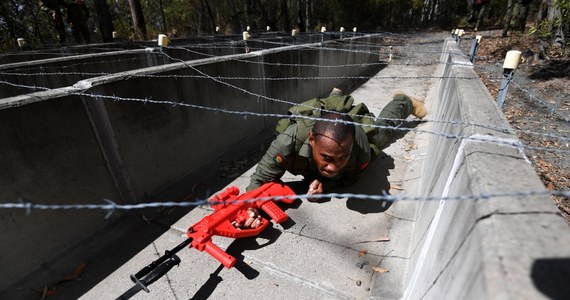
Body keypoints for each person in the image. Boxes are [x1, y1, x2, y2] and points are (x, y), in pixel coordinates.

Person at [246, 89, 427, 198]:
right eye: (327, 157)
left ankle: (404, 101)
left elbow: (349, 178)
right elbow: (260, 179)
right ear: (311, 139)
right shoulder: (288, 143)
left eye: (342, 158)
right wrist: (250, 208)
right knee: (327, 112)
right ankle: (335, 97)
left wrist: (326, 185)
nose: (333, 167)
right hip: (320, 120)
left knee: (382, 131)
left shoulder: (359, 153)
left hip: (354, 128)